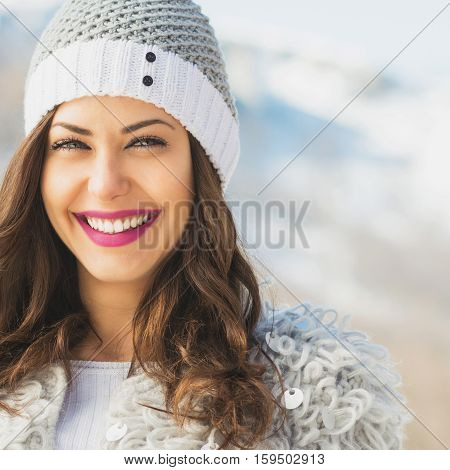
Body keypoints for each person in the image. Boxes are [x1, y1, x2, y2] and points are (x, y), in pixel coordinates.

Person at [0, 0, 412, 451]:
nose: (105, 184)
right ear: (37, 166)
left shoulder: (316, 397)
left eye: (146, 142)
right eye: (71, 143)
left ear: (203, 171)